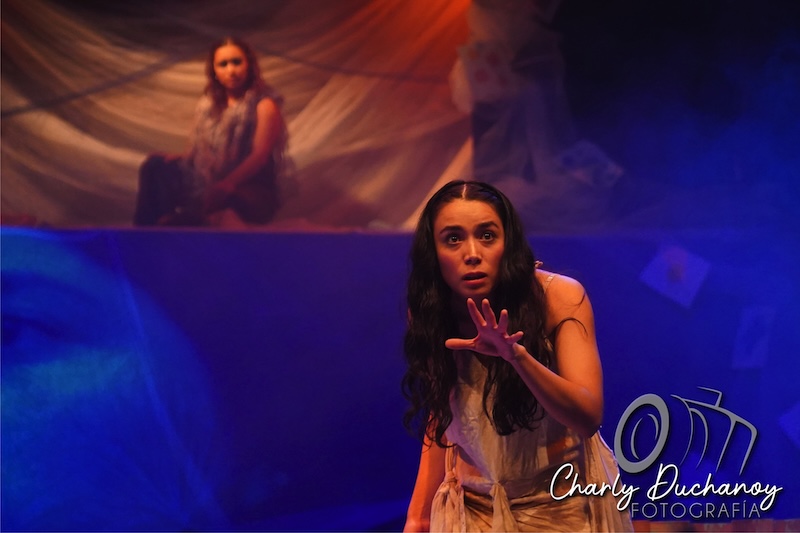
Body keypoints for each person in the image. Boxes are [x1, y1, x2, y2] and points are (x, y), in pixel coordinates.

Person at [401, 180, 633, 532]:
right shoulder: (431, 311)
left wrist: (516, 357)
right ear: (433, 252)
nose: (472, 253)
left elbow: (587, 417)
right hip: (472, 505)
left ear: (507, 242)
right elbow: (443, 410)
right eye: (453, 239)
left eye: (487, 236)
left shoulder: (559, 297)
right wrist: (418, 516)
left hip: (562, 504)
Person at [134, 37, 287, 227]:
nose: (231, 70)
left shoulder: (264, 104)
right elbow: (200, 151)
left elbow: (260, 156)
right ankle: (153, 230)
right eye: (223, 64)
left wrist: (227, 184)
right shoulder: (208, 105)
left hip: (249, 185)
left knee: (228, 208)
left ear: (249, 64)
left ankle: (185, 222)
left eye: (236, 62)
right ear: (214, 70)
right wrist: (183, 158)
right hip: (209, 180)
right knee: (156, 166)